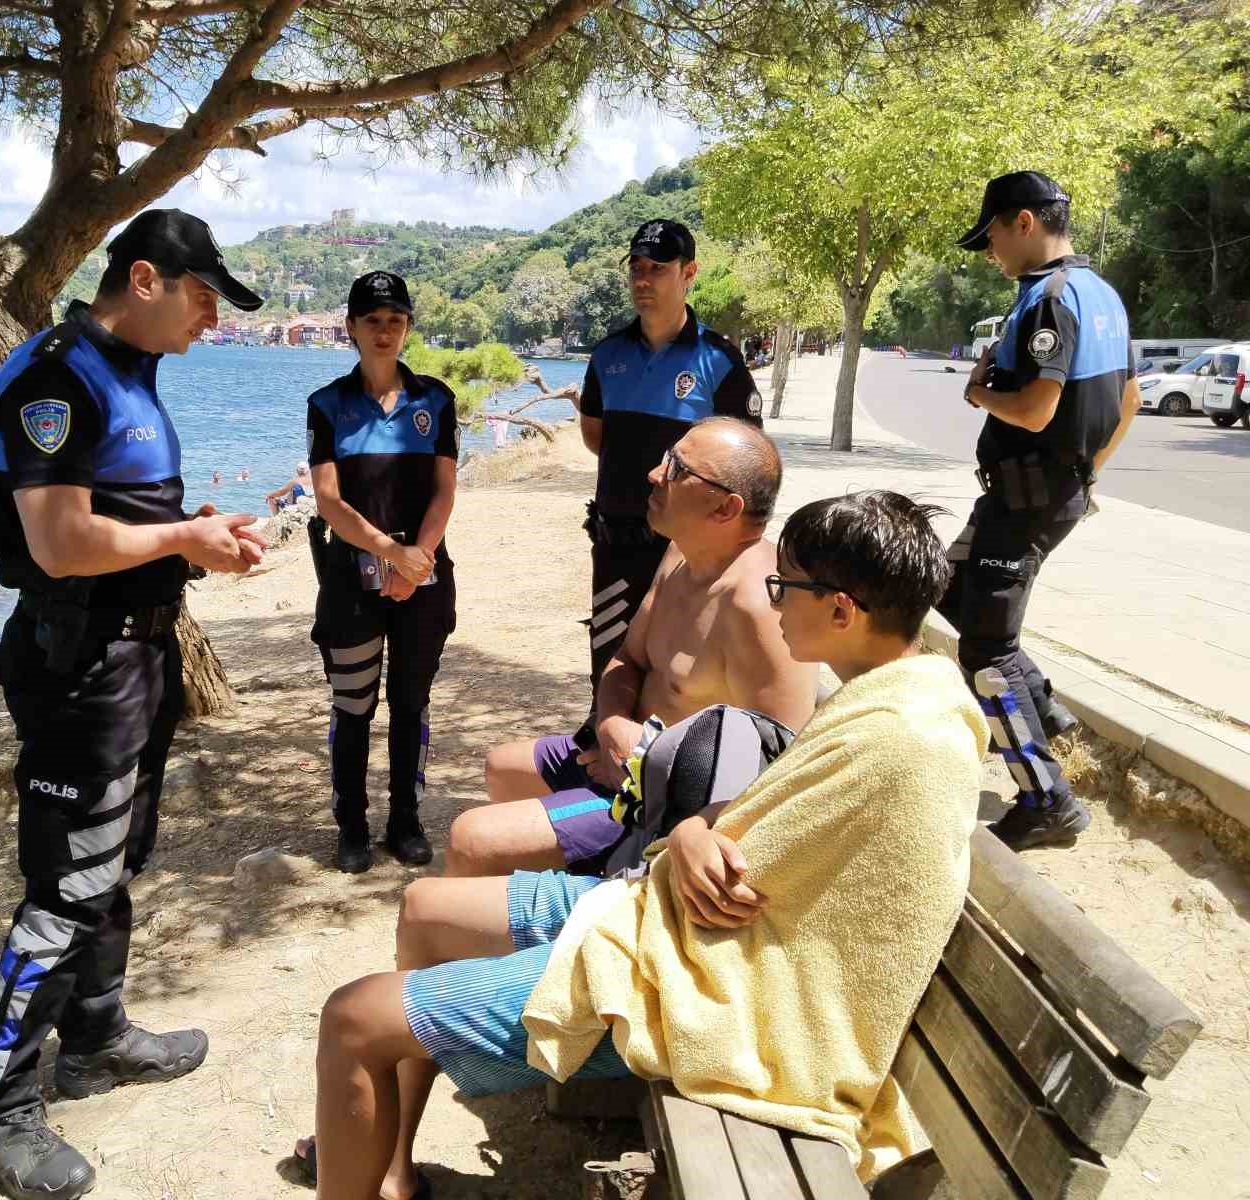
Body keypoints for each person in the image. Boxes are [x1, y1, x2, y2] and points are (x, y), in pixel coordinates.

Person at [293, 491, 986, 1199]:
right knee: (425, 908)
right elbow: (757, 830)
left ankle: (376, 1121)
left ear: (842, 610)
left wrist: (691, 844)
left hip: (706, 990)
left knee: (353, 1019)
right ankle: (389, 1164)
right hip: (671, 923)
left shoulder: (901, 738)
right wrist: (686, 829)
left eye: (787, 587)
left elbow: (748, 886)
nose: (776, 603)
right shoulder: (888, 700)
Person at [0, 208, 268, 1200]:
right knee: (62, 891)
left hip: (139, 663)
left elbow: (131, 517)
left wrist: (198, 532)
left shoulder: (133, 374)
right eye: (200, 296)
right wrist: (186, 542)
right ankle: (1, 1109)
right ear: (144, 279)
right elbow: (59, 544)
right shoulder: (54, 375)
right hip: (77, 668)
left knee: (112, 865)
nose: (211, 319)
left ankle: (94, 1038)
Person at [450, 418, 817, 878]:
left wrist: (642, 767)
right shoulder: (682, 551)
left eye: (678, 469)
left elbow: (776, 775)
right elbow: (628, 659)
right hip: (618, 753)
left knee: (471, 839)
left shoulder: (758, 609)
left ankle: (545, 908)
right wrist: (614, 729)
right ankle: (549, 886)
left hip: (656, 807)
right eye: (668, 457)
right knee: (501, 768)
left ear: (725, 508)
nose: (654, 474)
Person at [947, 170, 1141, 850]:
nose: (991, 252)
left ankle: (1046, 799)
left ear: (1023, 222)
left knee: (985, 654)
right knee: (946, 590)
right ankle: (1048, 714)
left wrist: (979, 394)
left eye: (993, 235)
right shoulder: (1102, 294)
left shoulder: (1050, 298)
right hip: (1031, 496)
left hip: (1026, 503)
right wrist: (1088, 475)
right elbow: (1131, 400)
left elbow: (1034, 410)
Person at [307, 271, 459, 873]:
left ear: (407, 328)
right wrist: (388, 553)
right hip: (351, 581)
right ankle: (351, 827)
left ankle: (405, 821)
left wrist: (416, 558)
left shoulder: (437, 400)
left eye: (395, 320)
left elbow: (444, 491)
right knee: (353, 705)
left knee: (411, 703)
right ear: (351, 328)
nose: (384, 331)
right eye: (372, 320)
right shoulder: (327, 405)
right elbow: (329, 500)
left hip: (423, 576)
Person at [579, 218, 764, 697]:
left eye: (658, 268)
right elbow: (599, 440)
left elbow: (747, 464)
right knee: (610, 674)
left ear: (689, 273)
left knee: (681, 682)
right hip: (616, 548)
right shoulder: (606, 356)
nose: (642, 280)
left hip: (688, 555)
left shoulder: (719, 360)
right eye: (636, 268)